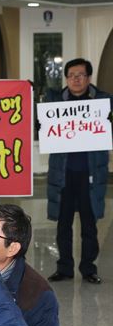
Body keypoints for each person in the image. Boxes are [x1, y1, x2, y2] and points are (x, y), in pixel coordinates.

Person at [45, 58, 111, 284]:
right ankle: (64, 268)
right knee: (63, 224)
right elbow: (39, 125)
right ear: (66, 78)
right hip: (63, 174)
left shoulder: (103, 102)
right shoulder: (54, 102)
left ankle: (88, 268)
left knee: (89, 225)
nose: (76, 79)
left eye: (81, 74)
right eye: (72, 75)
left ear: (89, 78)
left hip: (91, 174)